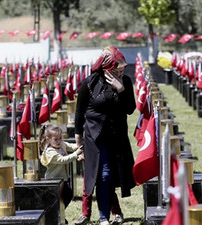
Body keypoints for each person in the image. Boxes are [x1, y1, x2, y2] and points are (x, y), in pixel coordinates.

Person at [75, 46, 136, 225]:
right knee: (104, 174)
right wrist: (78, 139)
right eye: (117, 69)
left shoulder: (125, 82)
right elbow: (79, 113)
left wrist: (120, 89)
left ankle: (114, 212)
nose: (121, 72)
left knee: (110, 175)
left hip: (116, 136)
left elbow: (130, 109)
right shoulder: (89, 83)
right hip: (95, 136)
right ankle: (103, 218)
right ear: (106, 68)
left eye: (123, 69)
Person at [39, 123, 83, 218]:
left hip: (62, 178)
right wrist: (76, 154)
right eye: (56, 139)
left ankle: (60, 214)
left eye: (60, 138)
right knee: (56, 200)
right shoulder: (50, 151)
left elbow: (70, 146)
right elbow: (63, 160)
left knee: (67, 195)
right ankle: (56, 216)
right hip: (53, 180)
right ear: (48, 139)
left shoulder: (61, 144)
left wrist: (80, 145)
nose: (59, 141)